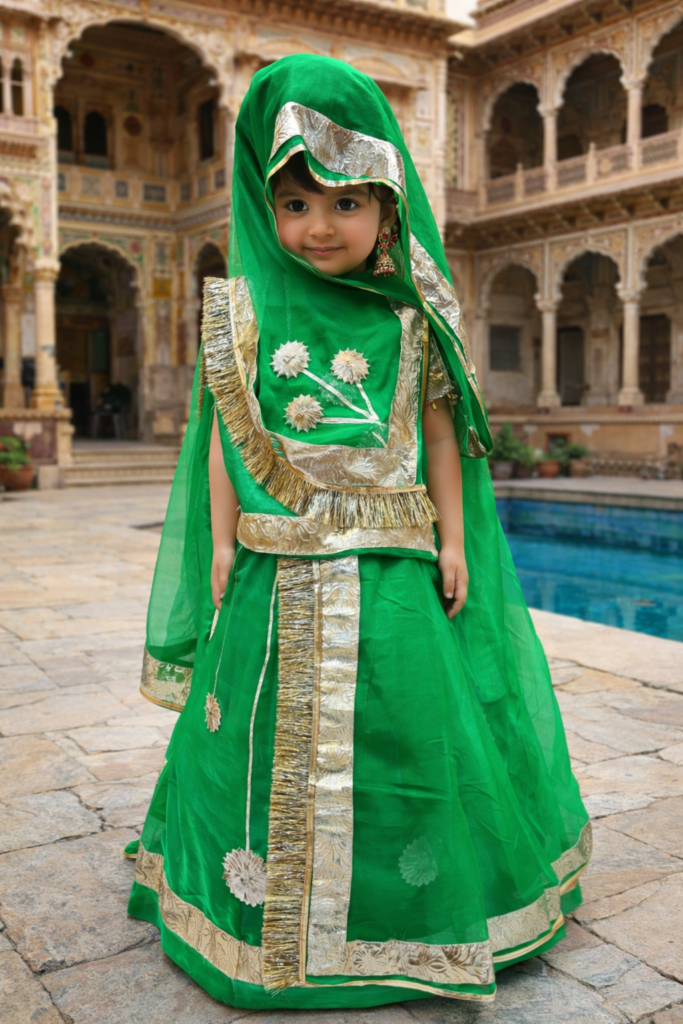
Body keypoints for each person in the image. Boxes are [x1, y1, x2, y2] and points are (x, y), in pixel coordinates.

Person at [126, 54, 591, 1009]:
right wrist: (221, 542)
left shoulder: (411, 319)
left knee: (410, 747)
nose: (317, 226)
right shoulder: (246, 310)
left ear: (387, 202)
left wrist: (452, 541)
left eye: (344, 202)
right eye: (294, 203)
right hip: (269, 577)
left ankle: (404, 921)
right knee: (255, 751)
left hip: (391, 576)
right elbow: (222, 438)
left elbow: (436, 438)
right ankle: (260, 931)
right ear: (267, 206)